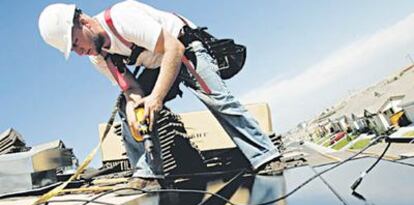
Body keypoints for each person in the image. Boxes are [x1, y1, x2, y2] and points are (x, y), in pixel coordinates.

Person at [38, 1, 281, 182]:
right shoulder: (99, 58)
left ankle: (264, 156)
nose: (80, 52)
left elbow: (173, 48)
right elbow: (131, 87)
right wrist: (137, 106)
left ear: (83, 23)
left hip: (184, 49)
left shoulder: (122, 18)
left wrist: (156, 98)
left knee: (217, 99)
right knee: (127, 109)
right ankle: (147, 175)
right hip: (156, 62)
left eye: (76, 44)